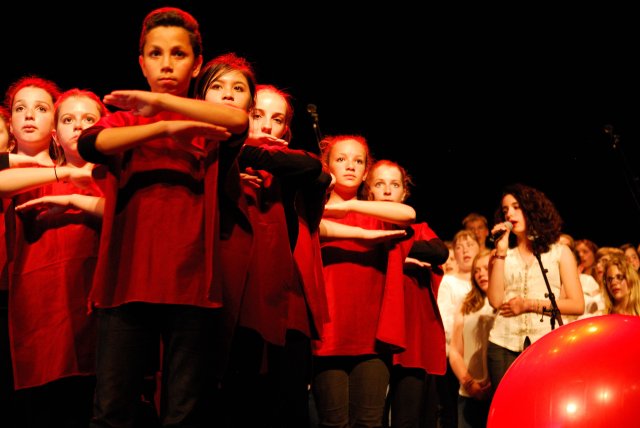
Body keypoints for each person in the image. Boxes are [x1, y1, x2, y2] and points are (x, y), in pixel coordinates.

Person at [76, 8, 249, 426]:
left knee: (184, 413)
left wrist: (161, 103)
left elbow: (239, 120)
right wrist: (162, 127)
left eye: (178, 53)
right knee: (112, 409)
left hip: (191, 284)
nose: (167, 64)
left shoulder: (208, 122)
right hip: (125, 280)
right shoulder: (122, 120)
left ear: (197, 62)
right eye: (156, 54)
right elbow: (90, 145)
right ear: (142, 63)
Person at [222, 83, 332, 428]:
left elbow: (315, 172)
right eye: (257, 115)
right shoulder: (219, 156)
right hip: (234, 297)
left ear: (286, 129)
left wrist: (248, 149)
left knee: (285, 405)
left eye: (277, 119)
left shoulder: (293, 167)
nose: (267, 125)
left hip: (285, 301)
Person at [0, 82, 109, 427]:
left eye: (88, 119)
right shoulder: (28, 177)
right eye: (69, 119)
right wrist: (61, 172)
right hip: (40, 313)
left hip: (96, 310)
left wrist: (75, 196)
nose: (78, 127)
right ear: (56, 133)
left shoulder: (112, 177)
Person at [314, 134, 415, 427]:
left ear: (366, 171)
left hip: (371, 338)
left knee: (369, 422)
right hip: (328, 334)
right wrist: (357, 230)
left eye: (358, 161)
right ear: (327, 165)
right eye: (341, 159)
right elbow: (316, 228)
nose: (350, 166)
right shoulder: (313, 208)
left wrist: (350, 207)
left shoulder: (377, 214)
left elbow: (408, 213)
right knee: (333, 422)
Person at [364, 159, 448, 428]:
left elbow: (439, 252)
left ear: (404, 193)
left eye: (395, 185)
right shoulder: (360, 227)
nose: (388, 190)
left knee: (408, 418)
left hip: (411, 337)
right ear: (369, 192)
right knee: (368, 416)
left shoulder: (418, 230)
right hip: (370, 336)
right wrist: (401, 258)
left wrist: (395, 251)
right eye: (380, 184)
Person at [486, 183, 584, 396]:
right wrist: (500, 251)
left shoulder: (559, 252)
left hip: (546, 342)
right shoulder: (501, 255)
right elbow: (495, 300)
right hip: (503, 343)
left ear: (532, 209)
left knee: (543, 404)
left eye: (516, 207)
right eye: (505, 210)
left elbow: (577, 305)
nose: (509, 214)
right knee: (507, 407)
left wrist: (529, 305)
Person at [436, 229, 480, 428]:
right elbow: (445, 321)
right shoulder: (448, 282)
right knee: (452, 412)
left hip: (480, 355)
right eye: (459, 248)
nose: (465, 251)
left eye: (470, 245)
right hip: (454, 356)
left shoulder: (484, 278)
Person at [448, 250, 495, 428]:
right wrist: (469, 383)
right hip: (469, 393)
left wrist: (493, 382)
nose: (481, 274)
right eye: (476, 270)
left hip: (499, 390)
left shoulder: (507, 302)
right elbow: (454, 351)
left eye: (486, 268)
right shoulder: (467, 303)